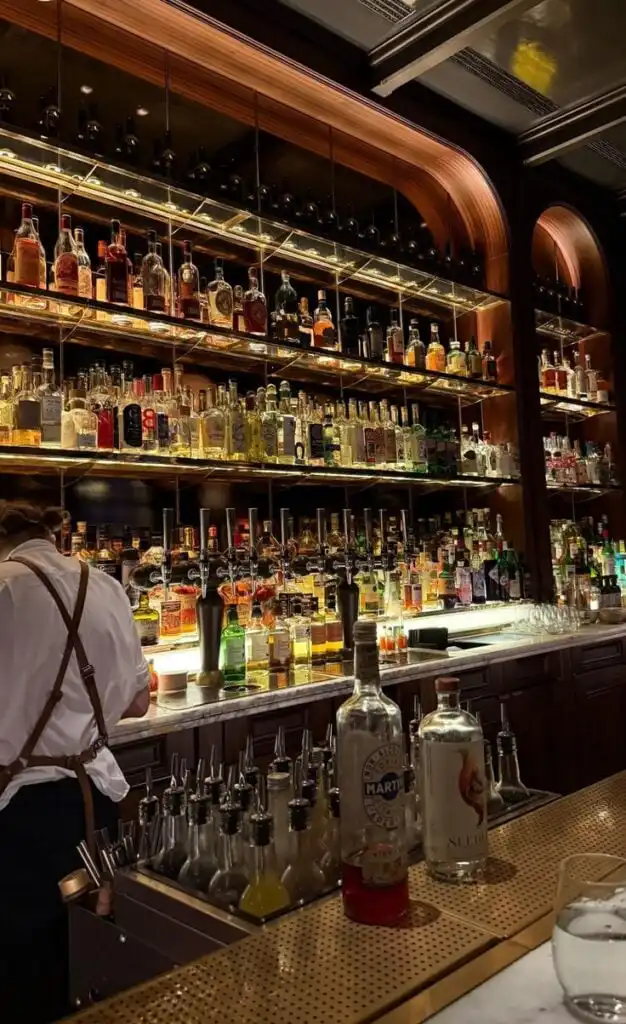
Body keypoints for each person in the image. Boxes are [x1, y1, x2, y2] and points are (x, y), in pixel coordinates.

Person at [0, 500, 151, 1024]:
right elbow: (138, 701)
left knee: (24, 968)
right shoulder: (104, 586)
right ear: (53, 535)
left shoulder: (2, 588)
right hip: (93, 804)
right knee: (92, 951)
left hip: (18, 813)